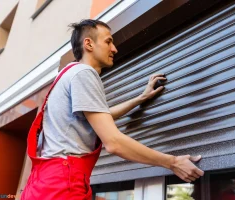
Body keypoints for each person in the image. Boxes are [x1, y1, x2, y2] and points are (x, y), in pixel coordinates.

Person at [21, 19, 204, 200]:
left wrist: (141, 98)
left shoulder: (67, 75)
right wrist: (172, 162)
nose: (114, 49)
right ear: (88, 44)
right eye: (108, 41)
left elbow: (102, 115)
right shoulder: (84, 73)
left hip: (42, 185)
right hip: (63, 186)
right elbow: (114, 142)